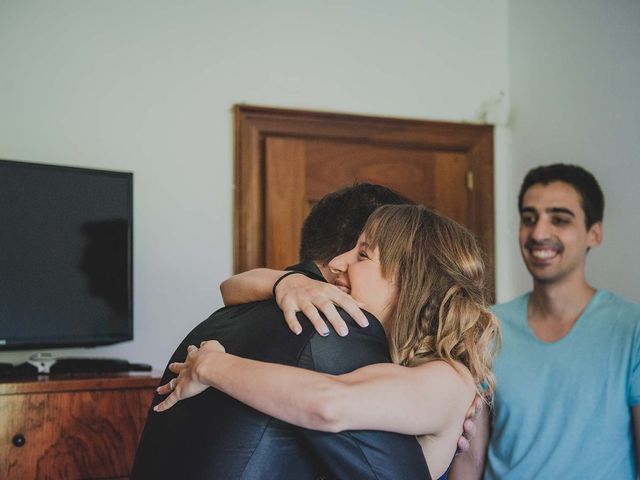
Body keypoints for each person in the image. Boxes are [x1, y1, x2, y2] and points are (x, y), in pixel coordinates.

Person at [155, 204, 501, 480]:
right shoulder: (390, 360)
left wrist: (212, 366)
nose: (337, 263)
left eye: (363, 254)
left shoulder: (448, 379)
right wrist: (285, 283)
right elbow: (231, 288)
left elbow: (328, 404)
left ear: (412, 282)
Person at [448, 164, 640, 479]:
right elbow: (469, 460)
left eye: (559, 219)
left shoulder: (631, 328)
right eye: (529, 218)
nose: (538, 233)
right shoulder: (486, 327)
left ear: (595, 233)